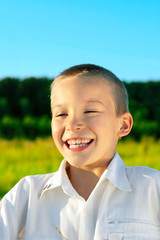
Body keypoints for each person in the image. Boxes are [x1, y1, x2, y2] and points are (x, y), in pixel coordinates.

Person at [0, 64, 160, 240]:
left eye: (90, 111)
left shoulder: (153, 188)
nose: (73, 124)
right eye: (61, 114)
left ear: (123, 124)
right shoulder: (26, 195)